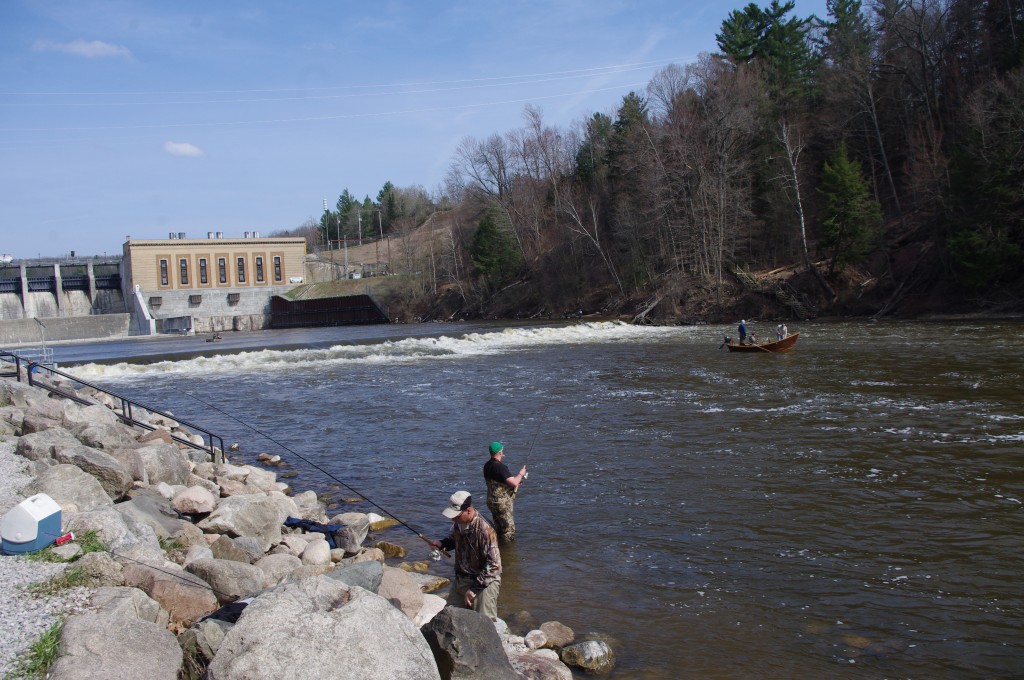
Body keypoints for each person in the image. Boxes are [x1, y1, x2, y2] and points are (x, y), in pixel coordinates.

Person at [428, 491, 502, 621]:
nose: (453, 519)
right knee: (448, 618)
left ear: (468, 510)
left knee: (483, 624)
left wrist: (474, 589)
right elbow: (454, 540)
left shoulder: (486, 530)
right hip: (461, 579)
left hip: (484, 583)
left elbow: (494, 566)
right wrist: (441, 543)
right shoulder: (459, 523)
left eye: (456, 515)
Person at [483, 441, 526, 543]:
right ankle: (508, 553)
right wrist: (521, 474)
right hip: (502, 504)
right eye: (502, 451)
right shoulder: (500, 467)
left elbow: (497, 483)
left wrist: (515, 484)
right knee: (508, 531)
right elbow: (514, 482)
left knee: (499, 528)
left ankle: (498, 548)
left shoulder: (487, 466)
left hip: (491, 502)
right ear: (500, 453)